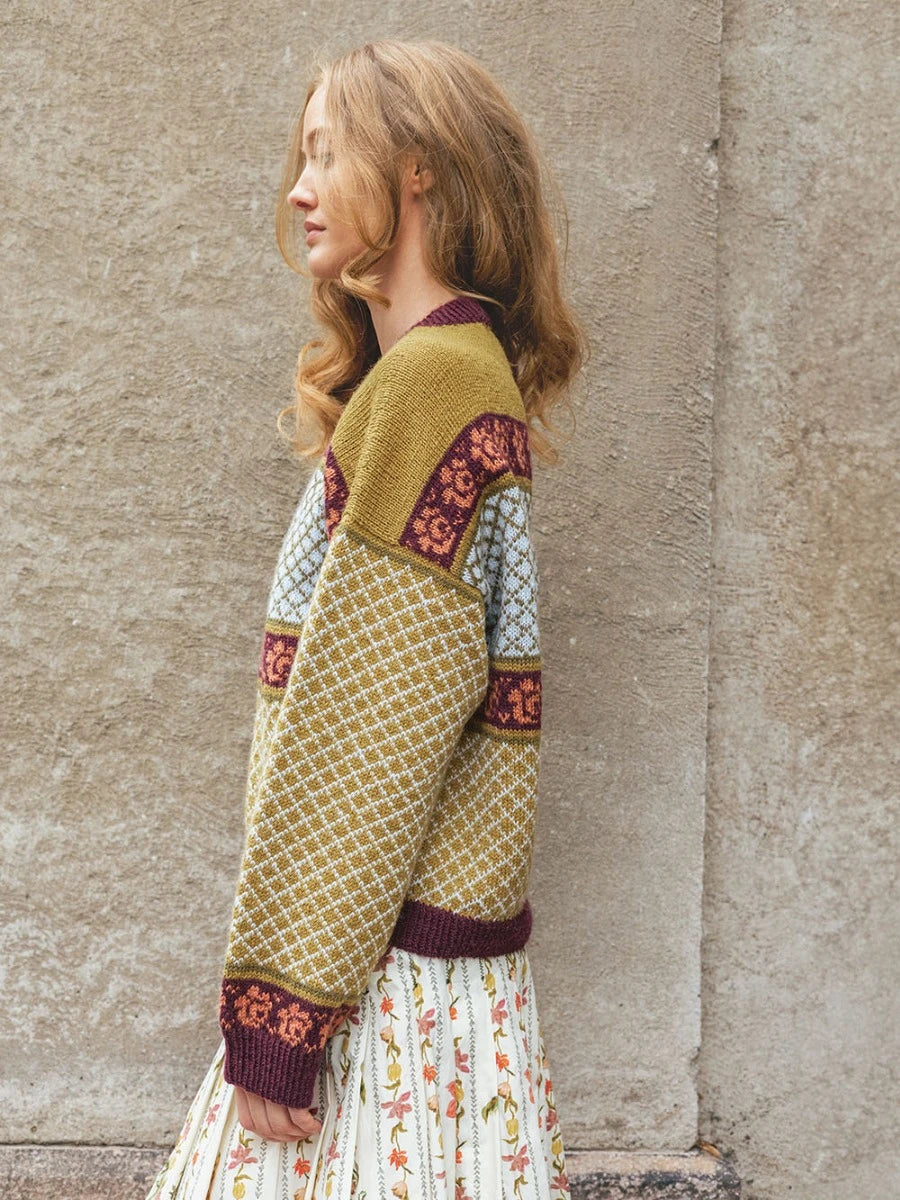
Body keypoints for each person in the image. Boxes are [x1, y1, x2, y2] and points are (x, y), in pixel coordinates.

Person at [145, 37, 588, 1200]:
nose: (299, 190)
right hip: (421, 988)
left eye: (326, 154)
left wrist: (280, 1013)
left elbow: (367, 735)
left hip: (380, 1005)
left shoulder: (431, 389)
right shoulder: (452, 376)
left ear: (417, 169)